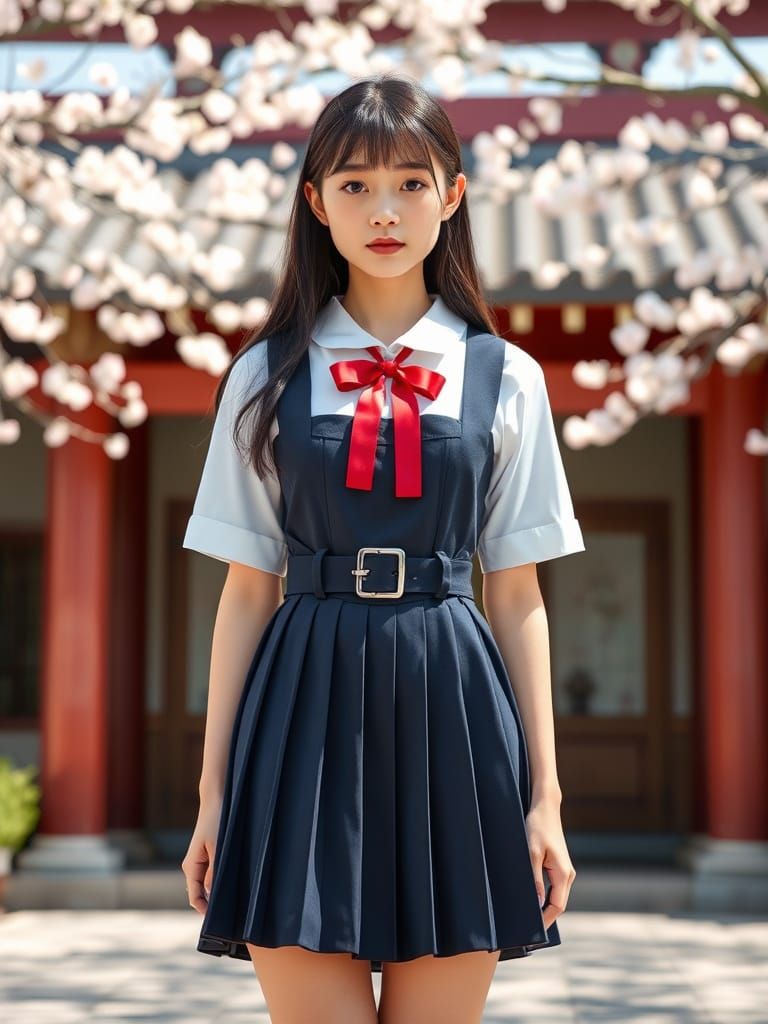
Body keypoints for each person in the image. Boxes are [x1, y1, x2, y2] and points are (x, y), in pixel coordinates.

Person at [180, 72, 585, 1024]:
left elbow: (518, 594)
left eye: (411, 182)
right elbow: (246, 593)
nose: (385, 209)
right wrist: (212, 793)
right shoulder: (263, 377)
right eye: (355, 186)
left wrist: (546, 799)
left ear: (452, 195)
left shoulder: (507, 377)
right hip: (300, 708)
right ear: (315, 205)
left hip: (454, 701)